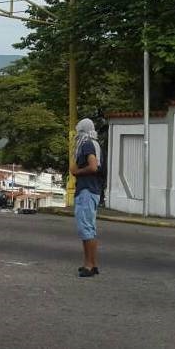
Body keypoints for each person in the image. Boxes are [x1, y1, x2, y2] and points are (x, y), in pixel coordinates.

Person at [70, 118, 103, 278]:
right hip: (93, 190)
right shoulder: (95, 143)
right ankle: (92, 263)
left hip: (86, 190)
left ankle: (89, 265)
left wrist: (77, 172)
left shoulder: (87, 144)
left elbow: (93, 166)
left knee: (86, 228)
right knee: (89, 228)